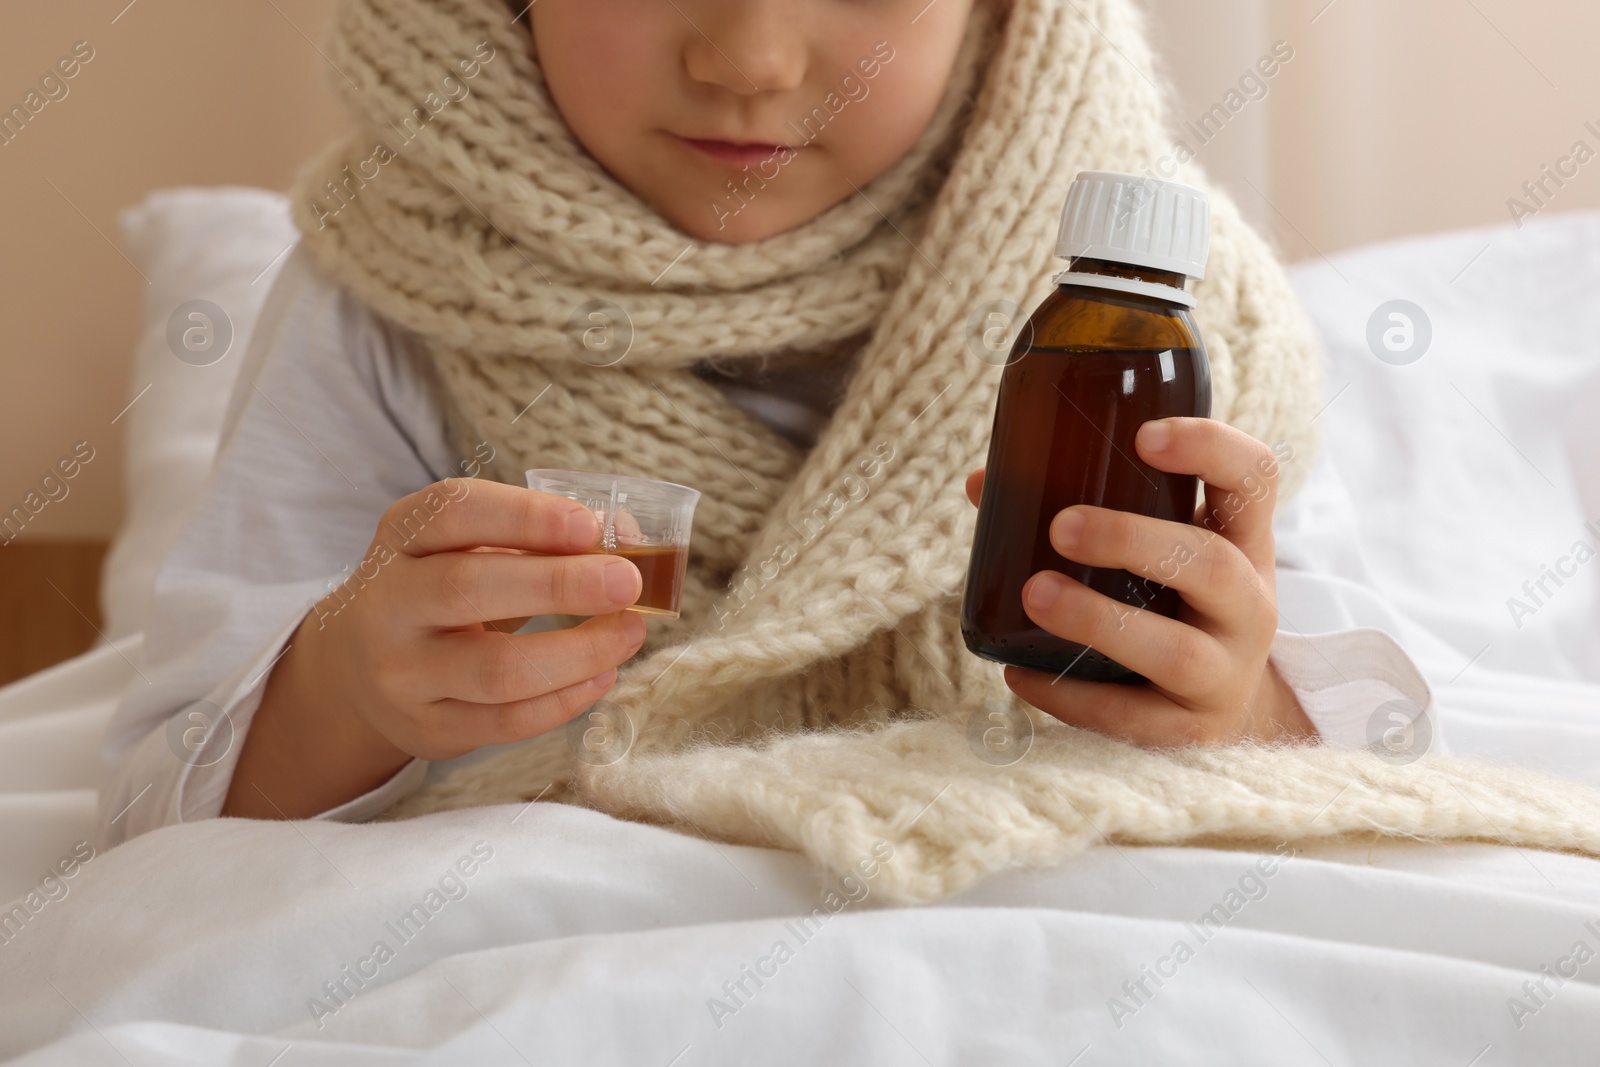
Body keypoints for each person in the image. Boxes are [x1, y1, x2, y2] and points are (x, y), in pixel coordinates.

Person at [97, 0, 1432, 847]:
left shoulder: (1172, 323)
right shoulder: (387, 281)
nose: (746, 57)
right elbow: (175, 787)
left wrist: (1241, 697)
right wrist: (341, 689)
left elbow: (1375, 719)